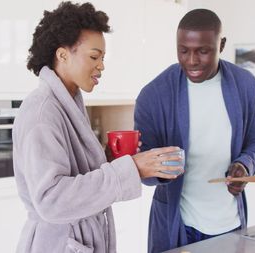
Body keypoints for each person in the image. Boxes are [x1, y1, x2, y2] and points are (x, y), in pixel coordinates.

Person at [12, 2, 183, 253]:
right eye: (94, 56)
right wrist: (131, 169)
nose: (101, 66)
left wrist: (108, 159)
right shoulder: (42, 112)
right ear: (62, 55)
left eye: (103, 58)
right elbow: (51, 200)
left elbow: (74, 174)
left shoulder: (68, 102)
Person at [134, 9, 255, 253]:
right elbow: (142, 166)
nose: (192, 60)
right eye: (183, 50)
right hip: (177, 226)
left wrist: (245, 165)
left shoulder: (246, 86)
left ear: (222, 44)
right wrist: (159, 169)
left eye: (203, 51)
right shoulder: (153, 95)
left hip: (230, 225)